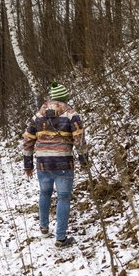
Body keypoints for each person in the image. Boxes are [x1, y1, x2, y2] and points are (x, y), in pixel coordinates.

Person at [23, 82, 89, 248]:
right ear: (65, 97)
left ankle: (44, 228)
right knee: (63, 198)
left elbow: (28, 139)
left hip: (43, 163)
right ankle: (60, 238)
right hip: (63, 162)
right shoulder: (71, 114)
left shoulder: (38, 115)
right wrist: (84, 161)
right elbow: (79, 140)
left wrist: (28, 164)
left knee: (45, 194)